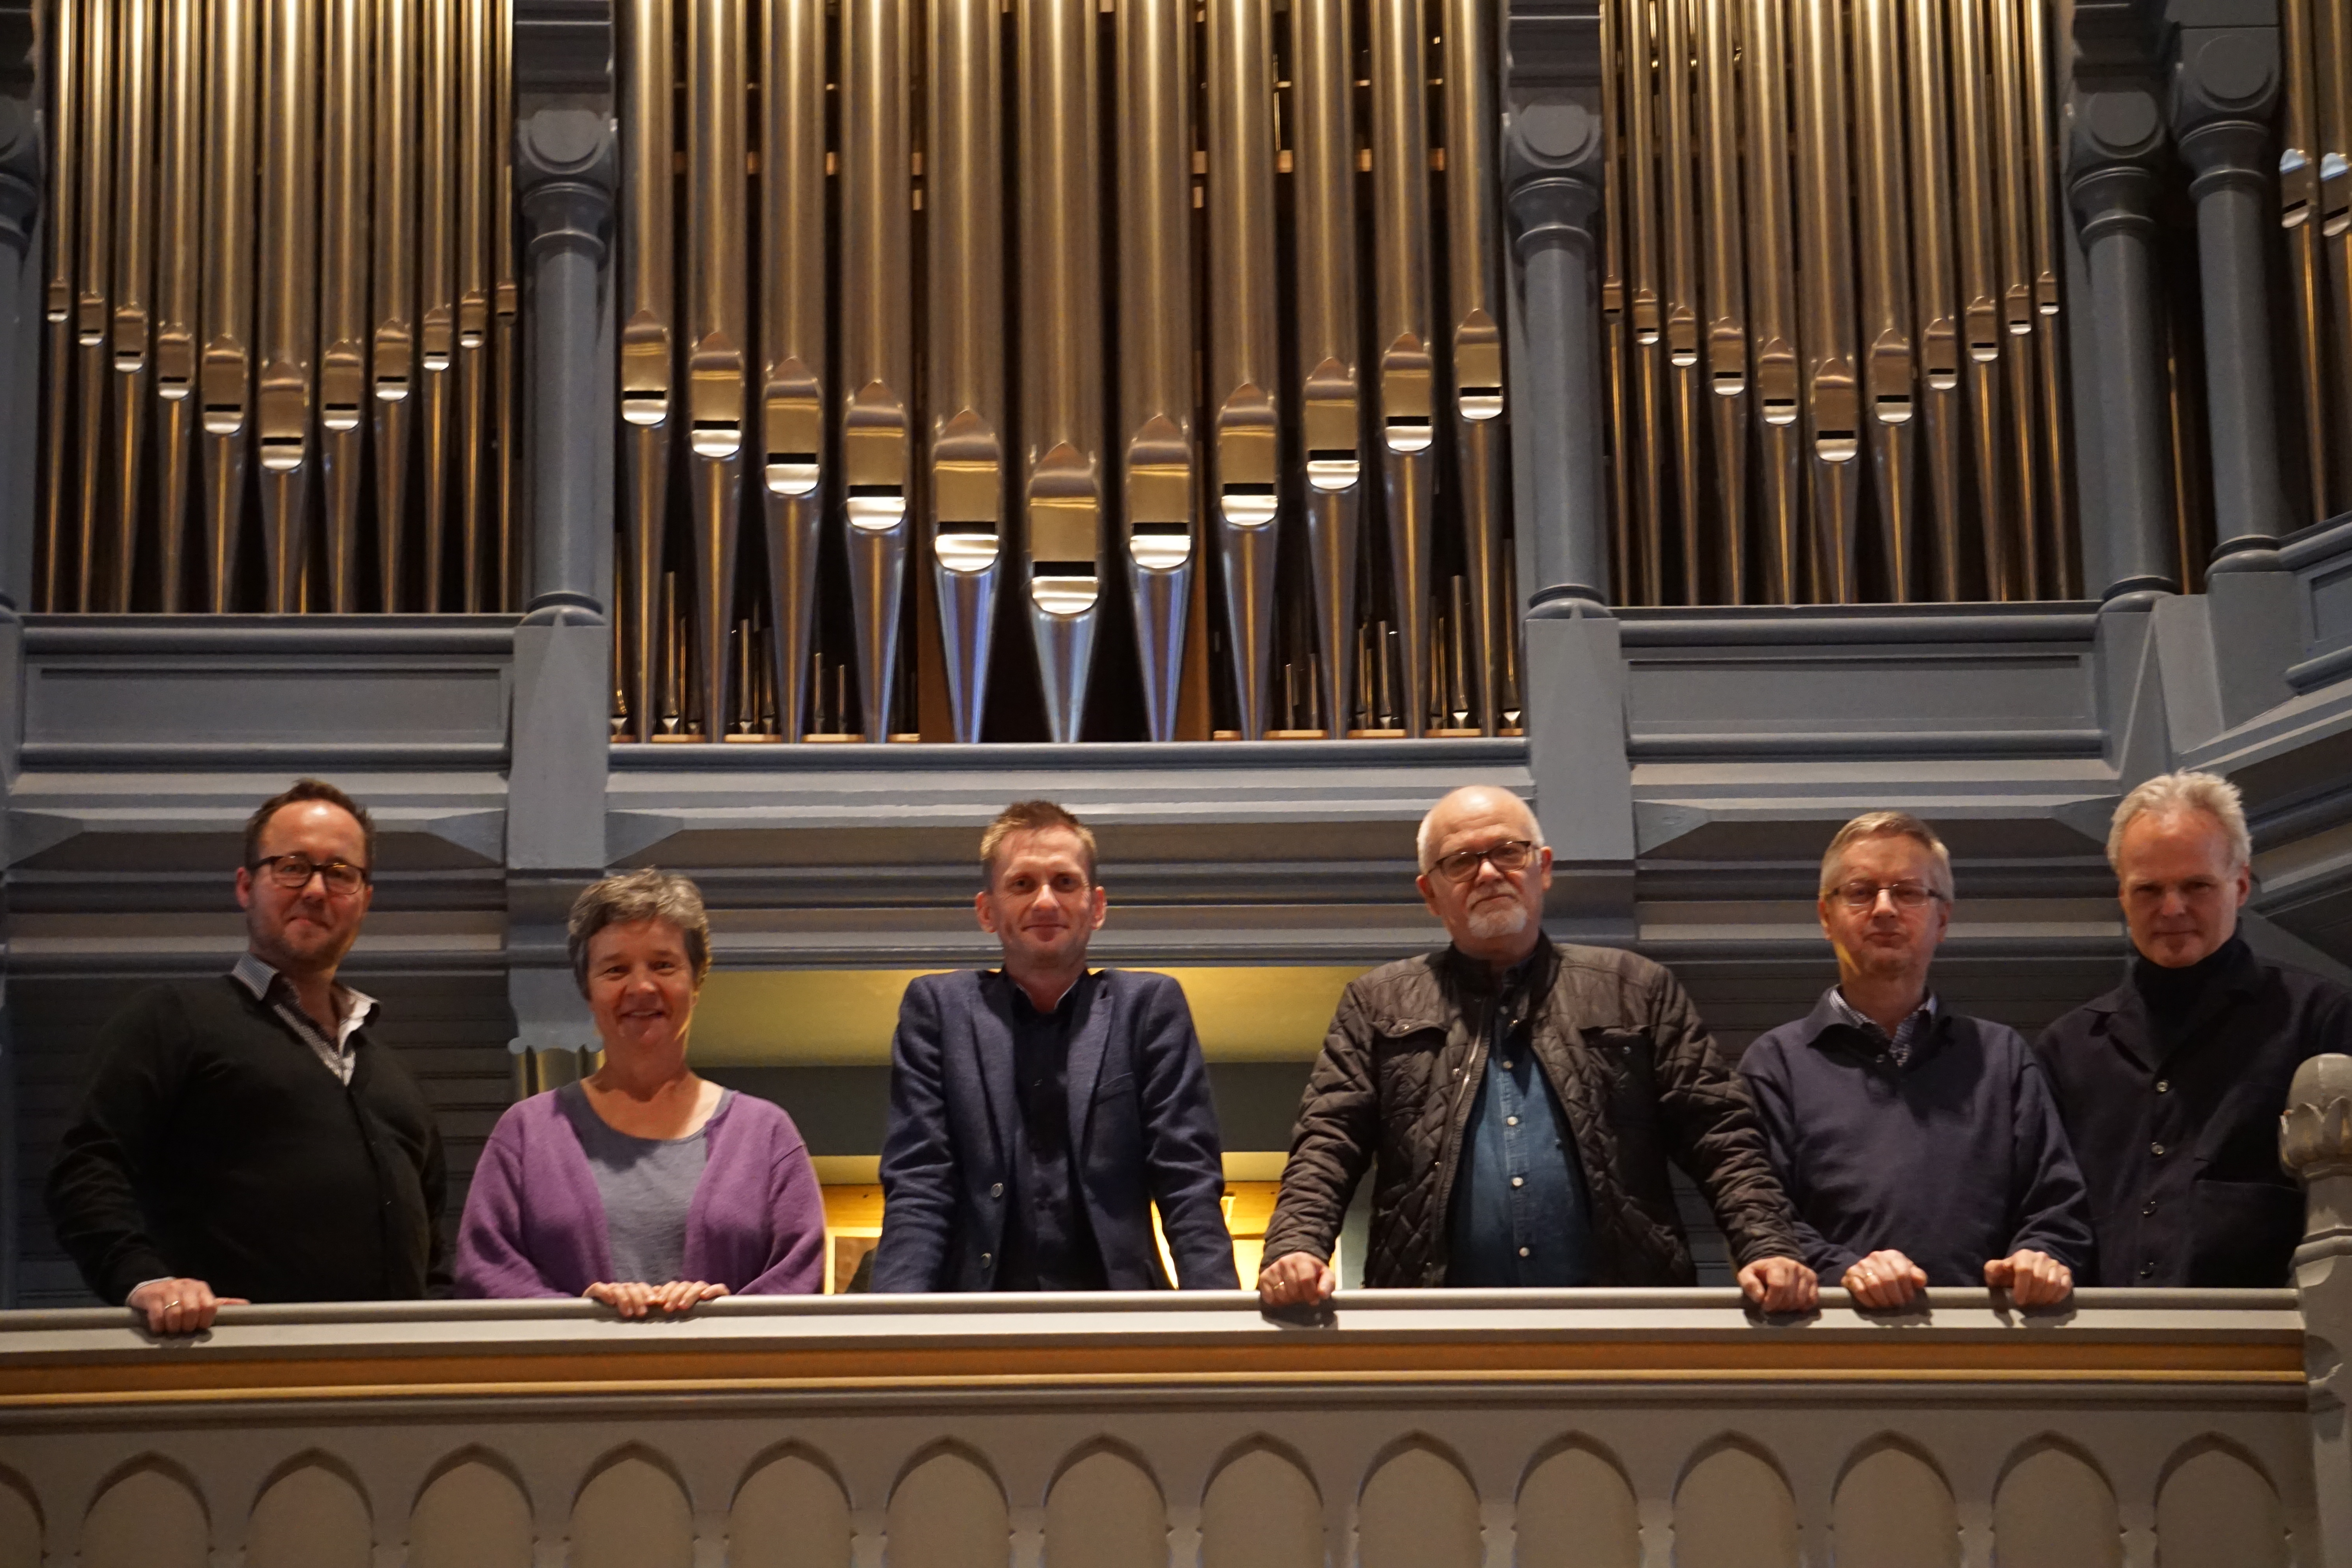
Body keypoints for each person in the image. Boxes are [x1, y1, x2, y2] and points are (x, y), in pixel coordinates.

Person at [1259, 785, 1817, 1311]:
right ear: (1431, 893)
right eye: (1460, 861)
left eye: (1507, 851)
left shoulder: (1638, 989)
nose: (1487, 872)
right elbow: (1327, 1142)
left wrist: (1766, 1244)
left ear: (1542, 868)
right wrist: (1295, 1247)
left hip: (1623, 1324)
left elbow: (1719, 1134)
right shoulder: (1376, 1003)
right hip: (1435, 1329)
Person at [47, 779, 448, 1334]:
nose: (315, 889)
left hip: (390, 1387)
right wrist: (142, 1279)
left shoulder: (395, 1076)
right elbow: (86, 1167)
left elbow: (433, 1249)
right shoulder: (174, 1019)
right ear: (245, 886)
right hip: (232, 1372)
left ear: (365, 899)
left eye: (340, 873)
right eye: (291, 867)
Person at [871, 800, 1238, 1292]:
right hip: (974, 1319)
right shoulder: (939, 1009)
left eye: (1065, 882)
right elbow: (919, 1182)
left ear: (1098, 906)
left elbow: (1187, 1180)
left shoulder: (1149, 1006)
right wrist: (894, 1329)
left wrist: (1221, 1324)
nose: (1045, 901)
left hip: (1122, 1320)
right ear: (987, 910)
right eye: (1022, 884)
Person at [1740, 812, 2092, 1309]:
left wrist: (2039, 1254)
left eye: (1908, 892)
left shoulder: (2002, 1057)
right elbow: (1763, 1216)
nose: (1884, 909)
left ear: (1942, 919)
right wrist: (1847, 1271)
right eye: (1861, 891)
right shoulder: (1776, 1063)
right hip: (1831, 1351)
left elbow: (2057, 1205)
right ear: (1826, 916)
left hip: (1990, 1355)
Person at [457, 869, 824, 1312]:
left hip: (725, 1382)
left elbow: (801, 1277)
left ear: (697, 980)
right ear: (587, 990)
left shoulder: (767, 1134)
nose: (641, 987)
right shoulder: (526, 1132)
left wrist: (726, 1316)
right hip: (571, 1382)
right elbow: (484, 1270)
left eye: (664, 965)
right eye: (615, 969)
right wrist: (579, 1316)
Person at [2038, 770, 2352, 1287]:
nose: (2172, 909)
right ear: (2122, 896)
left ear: (2241, 885)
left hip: (2276, 1354)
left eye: (2197, 885)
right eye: (2149, 889)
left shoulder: (2321, 1020)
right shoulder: (2066, 1050)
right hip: (2104, 1352)